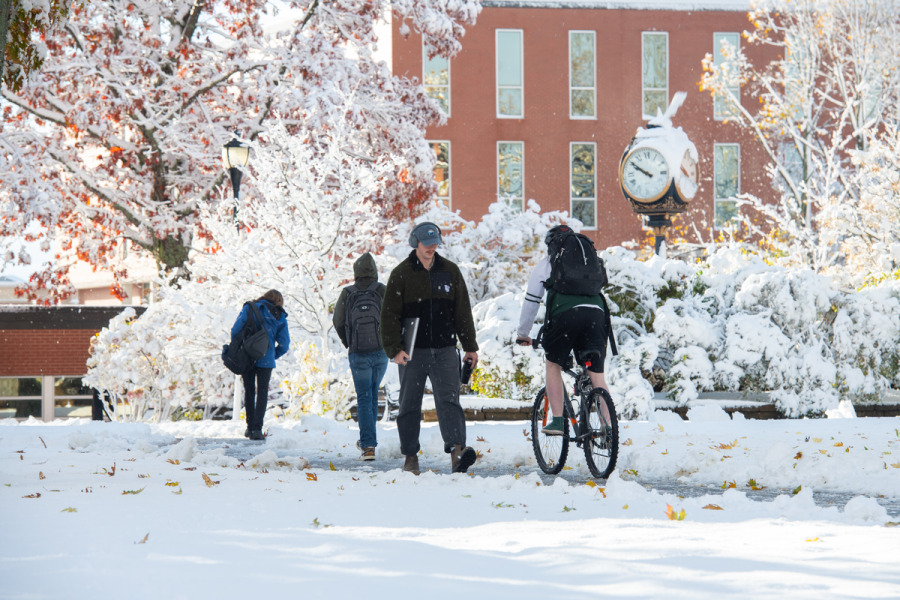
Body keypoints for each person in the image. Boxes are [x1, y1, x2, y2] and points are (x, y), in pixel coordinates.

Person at [381, 221, 479, 474]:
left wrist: (470, 346)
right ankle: (410, 456)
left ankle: (458, 451)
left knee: (450, 401)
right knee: (409, 404)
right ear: (416, 243)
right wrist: (394, 349)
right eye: (427, 243)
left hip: (446, 349)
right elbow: (389, 315)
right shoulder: (401, 273)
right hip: (413, 352)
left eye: (435, 243)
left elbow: (462, 312)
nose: (431, 248)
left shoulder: (450, 271)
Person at [515, 225, 612, 435]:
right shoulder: (589, 260)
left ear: (551, 245)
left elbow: (532, 301)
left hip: (565, 316)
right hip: (597, 313)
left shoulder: (548, 263)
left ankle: (558, 420)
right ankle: (608, 429)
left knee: (553, 364)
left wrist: (523, 334)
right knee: (597, 376)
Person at [333, 252, 389, 461]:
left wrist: (349, 342)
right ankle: (369, 441)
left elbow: (337, 321)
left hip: (358, 353)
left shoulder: (348, 293)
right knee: (373, 394)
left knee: (365, 396)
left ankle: (368, 446)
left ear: (356, 272)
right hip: (380, 351)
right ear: (374, 271)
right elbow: (396, 317)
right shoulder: (382, 290)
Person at [232, 289, 290, 440]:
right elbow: (285, 344)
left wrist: (240, 348)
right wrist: (271, 355)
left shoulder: (249, 308)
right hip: (266, 358)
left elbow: (235, 330)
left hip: (247, 356)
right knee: (262, 392)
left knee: (249, 390)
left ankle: (249, 427)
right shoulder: (279, 314)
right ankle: (257, 429)